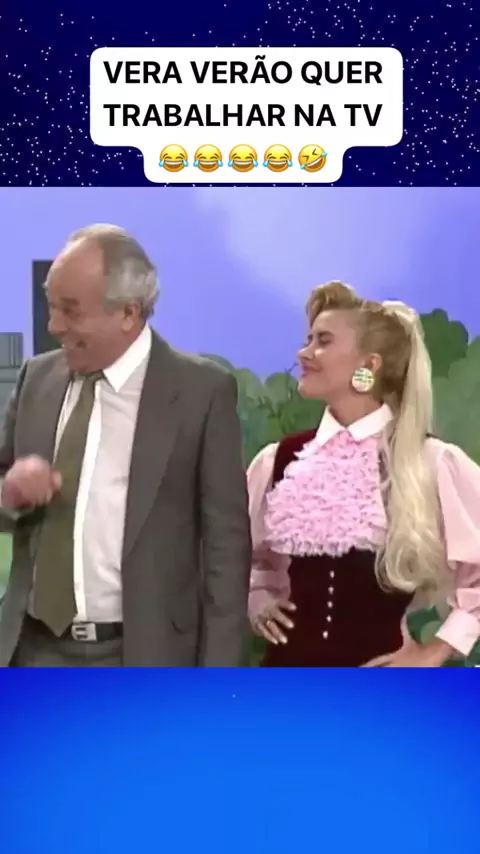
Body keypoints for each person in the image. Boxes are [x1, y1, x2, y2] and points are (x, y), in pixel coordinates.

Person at [0, 224, 252, 667]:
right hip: (30, 651)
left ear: (129, 314)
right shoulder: (36, 378)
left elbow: (225, 552)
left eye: (71, 311)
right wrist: (11, 493)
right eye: (51, 307)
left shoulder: (200, 393)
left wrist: (217, 683)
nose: (54, 326)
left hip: (139, 656)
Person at [247, 281, 480, 667]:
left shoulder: (428, 463)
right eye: (308, 339)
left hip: (381, 689)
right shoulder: (280, 459)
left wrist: (435, 651)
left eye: (323, 341)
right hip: (287, 683)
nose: (304, 352)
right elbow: (241, 557)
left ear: (369, 365)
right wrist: (257, 598)